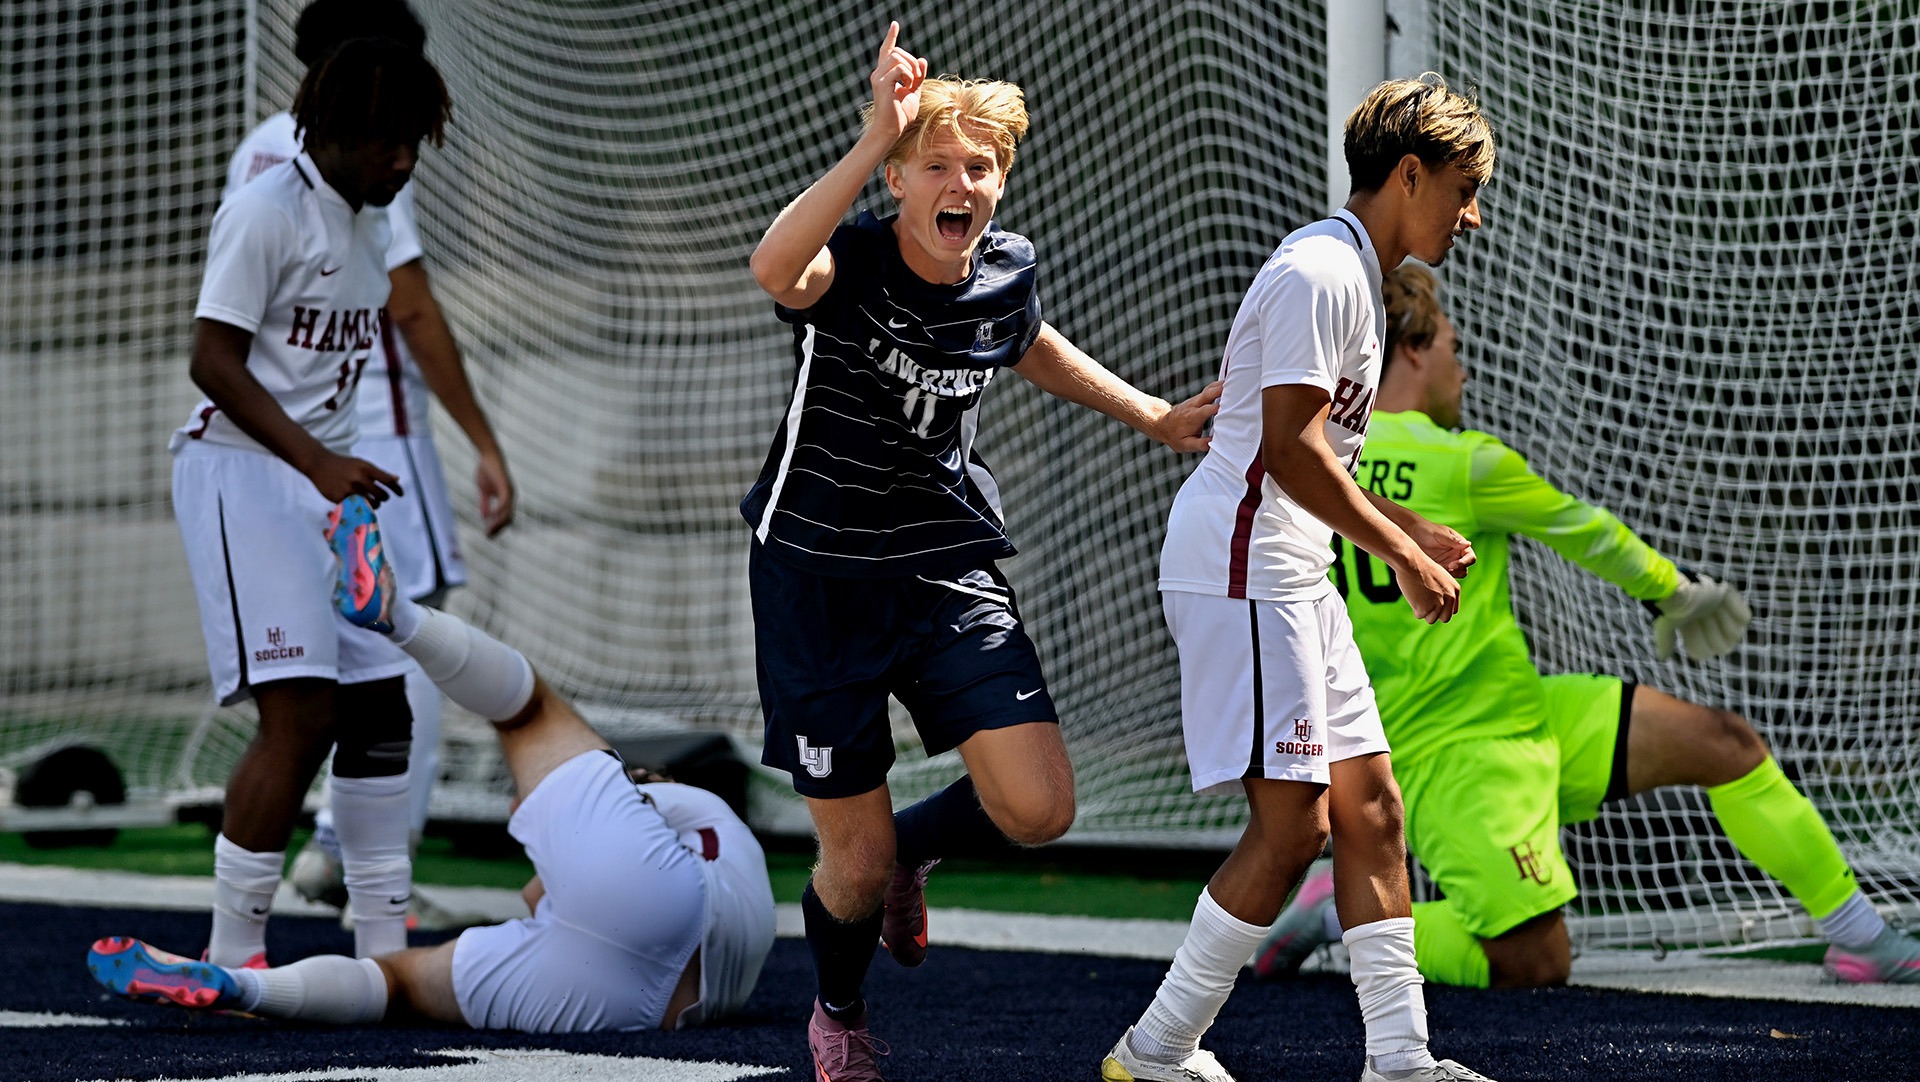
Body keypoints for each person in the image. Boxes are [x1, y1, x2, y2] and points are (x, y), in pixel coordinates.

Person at [744, 22, 1220, 1081]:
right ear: (903, 180)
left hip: (943, 562)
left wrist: (1150, 413)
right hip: (817, 576)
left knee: (1042, 806)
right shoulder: (853, 257)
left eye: (984, 167)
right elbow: (775, 265)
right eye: (941, 164)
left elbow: (1026, 336)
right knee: (852, 864)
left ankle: (920, 844)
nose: (965, 182)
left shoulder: (1004, 270)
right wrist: (874, 136)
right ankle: (839, 1008)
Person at [1251, 264, 1920, 989]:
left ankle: (1862, 939)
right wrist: (1673, 591)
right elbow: (1586, 530)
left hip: (1527, 711)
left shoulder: (1310, 465)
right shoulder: (1463, 460)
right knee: (1536, 967)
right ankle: (1352, 915)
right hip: (1460, 762)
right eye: (1451, 344)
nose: (1462, 367)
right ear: (1412, 351)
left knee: (1724, 744)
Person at [1103, 77, 1501, 1082]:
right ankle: (1157, 1048)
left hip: (1286, 566)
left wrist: (1406, 524)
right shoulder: (1321, 271)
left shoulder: (1355, 276)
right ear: (1409, 173)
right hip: (1241, 568)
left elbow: (1312, 456)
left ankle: (1402, 1059)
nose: (1473, 211)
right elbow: (1285, 452)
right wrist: (1402, 553)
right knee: (1295, 827)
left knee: (1374, 811)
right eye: (1463, 186)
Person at [90, 505, 775, 1030]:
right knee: (396, 983)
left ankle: (393, 613)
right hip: (641, 1010)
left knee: (529, 709)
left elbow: (549, 887)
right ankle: (245, 990)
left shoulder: (672, 806)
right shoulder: (716, 839)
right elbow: (552, 896)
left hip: (643, 910)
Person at [222, 0, 517, 929]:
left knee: (335, 680)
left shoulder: (262, 146)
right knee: (405, 640)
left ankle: (339, 879)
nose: (401, 157)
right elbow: (413, 308)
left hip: (289, 444)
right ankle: (344, 860)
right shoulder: (367, 143)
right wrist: (482, 438)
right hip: (363, 434)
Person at [168, 37, 451, 968]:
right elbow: (213, 360)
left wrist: (337, 470)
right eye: (384, 142)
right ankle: (232, 951)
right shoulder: (264, 212)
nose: (403, 159)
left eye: (413, 140)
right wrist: (319, 461)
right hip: (243, 476)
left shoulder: (374, 219)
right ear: (327, 130)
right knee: (300, 716)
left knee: (382, 711)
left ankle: (380, 949)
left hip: (324, 481)